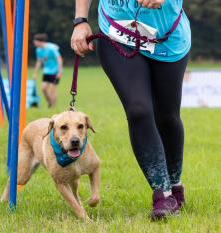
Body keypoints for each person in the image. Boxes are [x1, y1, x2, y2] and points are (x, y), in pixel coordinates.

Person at [71, 0, 191, 220]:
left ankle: (175, 187)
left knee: (167, 117)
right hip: (117, 33)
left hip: (167, 39)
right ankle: (163, 196)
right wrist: (81, 20)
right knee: (138, 110)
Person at [32, 33, 63, 108]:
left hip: (55, 71)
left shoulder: (51, 48)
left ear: (40, 41)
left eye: (35, 41)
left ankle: (53, 106)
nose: (34, 43)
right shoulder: (38, 50)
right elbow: (39, 61)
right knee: (43, 88)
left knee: (52, 89)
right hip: (46, 71)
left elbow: (59, 58)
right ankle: (50, 103)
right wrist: (35, 73)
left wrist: (60, 71)